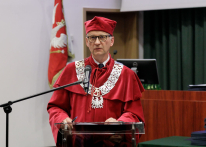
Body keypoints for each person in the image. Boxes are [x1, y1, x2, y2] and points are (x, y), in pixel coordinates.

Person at [47, 16, 145, 147]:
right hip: (79, 143)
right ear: (87, 42)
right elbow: (55, 107)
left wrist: (120, 124)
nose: (97, 42)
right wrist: (62, 119)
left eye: (102, 37)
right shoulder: (71, 70)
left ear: (111, 41)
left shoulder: (126, 75)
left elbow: (134, 114)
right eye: (92, 38)